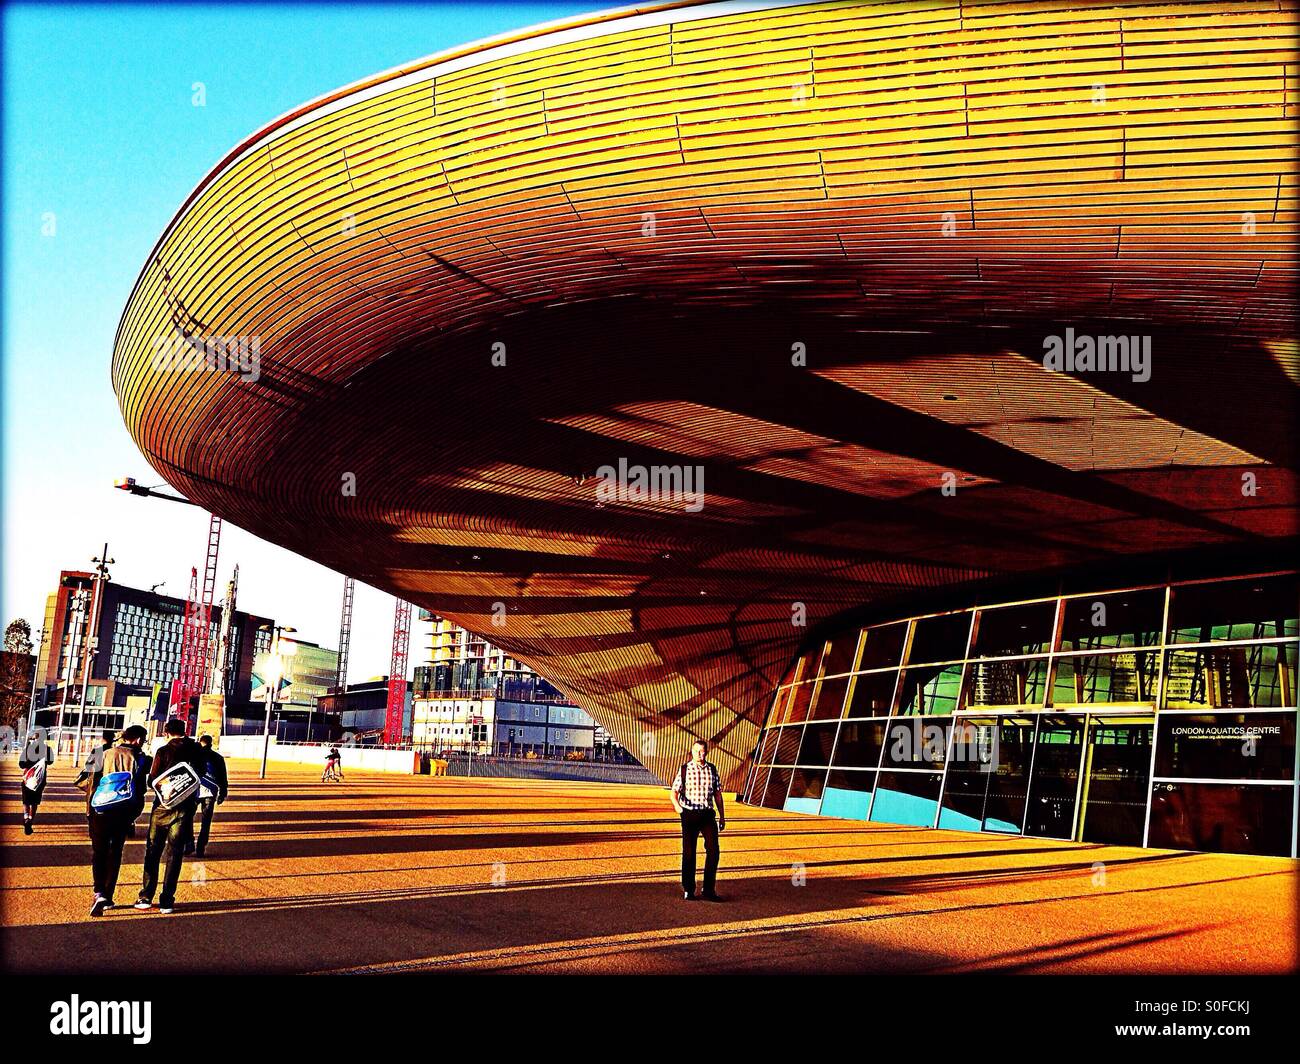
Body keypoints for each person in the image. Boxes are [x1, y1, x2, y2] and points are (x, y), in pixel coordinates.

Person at [134, 718, 205, 914]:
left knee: (153, 850)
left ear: (166, 733)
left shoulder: (163, 751)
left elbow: (152, 780)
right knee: (174, 854)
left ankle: (146, 896)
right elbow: (202, 773)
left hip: (162, 807)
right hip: (185, 807)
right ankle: (167, 900)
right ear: (184, 730)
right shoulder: (196, 749)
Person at [87, 726, 148, 917]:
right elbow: (141, 790)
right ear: (137, 740)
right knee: (115, 852)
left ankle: (99, 893)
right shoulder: (140, 759)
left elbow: (91, 782)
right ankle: (108, 894)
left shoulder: (103, 753)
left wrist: (90, 809)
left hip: (101, 810)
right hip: (123, 812)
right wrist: (133, 815)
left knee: (99, 852)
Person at [670, 738, 726, 901]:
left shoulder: (712, 770)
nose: (699, 754)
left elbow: (717, 795)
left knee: (713, 851)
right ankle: (689, 888)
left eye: (702, 751)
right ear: (692, 752)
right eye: (696, 751)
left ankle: (708, 889)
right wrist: (678, 807)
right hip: (689, 814)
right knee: (689, 852)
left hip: (707, 814)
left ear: (706, 752)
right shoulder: (684, 769)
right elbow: (673, 792)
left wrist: (722, 816)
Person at [189, 734, 228, 858]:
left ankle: (189, 843)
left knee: (187, 818)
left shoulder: (193, 755)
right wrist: (223, 792)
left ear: (200, 742)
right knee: (206, 822)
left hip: (194, 791)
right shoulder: (218, 758)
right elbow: (223, 777)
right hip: (210, 792)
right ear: (211, 744)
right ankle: (201, 847)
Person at [18, 728, 53, 836]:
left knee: (26, 800)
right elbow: (50, 762)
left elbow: (21, 764)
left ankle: (26, 817)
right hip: (40, 779)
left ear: (35, 736)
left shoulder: (28, 748)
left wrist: (29, 763)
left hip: (28, 778)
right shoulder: (47, 749)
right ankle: (31, 820)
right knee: (34, 802)